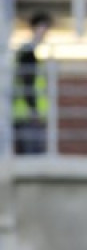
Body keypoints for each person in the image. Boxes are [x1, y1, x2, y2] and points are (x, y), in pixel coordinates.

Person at [13, 11, 52, 154]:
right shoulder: (28, 54)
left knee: (29, 153)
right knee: (32, 154)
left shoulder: (26, 52)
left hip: (25, 113)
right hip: (28, 114)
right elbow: (27, 83)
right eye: (44, 28)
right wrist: (34, 111)